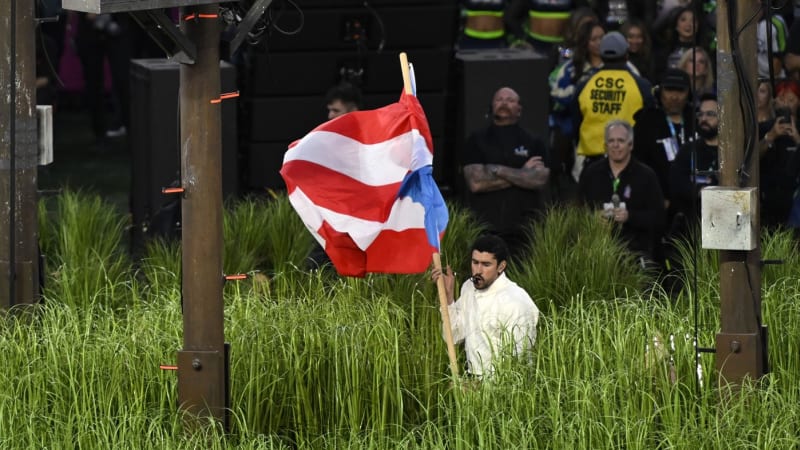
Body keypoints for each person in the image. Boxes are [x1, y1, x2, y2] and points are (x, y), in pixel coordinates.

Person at [431, 234, 540, 379]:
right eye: (475, 262)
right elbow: (454, 336)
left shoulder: (516, 302)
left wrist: (477, 388)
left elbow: (518, 364)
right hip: (472, 382)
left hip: (505, 390)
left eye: (486, 264)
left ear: (501, 266)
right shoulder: (469, 288)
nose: (478, 270)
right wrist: (449, 299)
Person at [462, 87, 550, 258]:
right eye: (499, 99)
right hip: (485, 225)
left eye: (510, 100)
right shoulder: (476, 140)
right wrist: (522, 172)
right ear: (492, 106)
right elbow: (476, 183)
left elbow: (539, 179)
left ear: (519, 109)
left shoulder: (534, 141)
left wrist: (497, 170)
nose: (504, 103)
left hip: (523, 227)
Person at [578, 119, 664, 263]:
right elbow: (578, 211)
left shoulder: (646, 176)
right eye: (611, 141)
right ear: (605, 145)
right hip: (597, 253)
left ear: (631, 145)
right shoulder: (591, 173)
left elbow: (658, 218)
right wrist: (593, 218)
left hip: (635, 253)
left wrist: (630, 216)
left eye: (621, 141)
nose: (616, 145)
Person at [572, 31, 654, 180]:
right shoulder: (641, 86)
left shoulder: (585, 85)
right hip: (628, 161)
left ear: (601, 56)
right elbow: (649, 123)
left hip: (591, 162)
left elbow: (576, 123)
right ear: (626, 55)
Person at [632, 68, 694, 212]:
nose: (674, 97)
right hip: (658, 203)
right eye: (669, 90)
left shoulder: (698, 120)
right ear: (659, 92)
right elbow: (638, 164)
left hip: (695, 201)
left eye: (680, 91)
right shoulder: (645, 121)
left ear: (689, 94)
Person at [670, 93, 720, 226]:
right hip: (691, 224)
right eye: (701, 114)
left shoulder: (731, 153)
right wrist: (698, 191)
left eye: (710, 114)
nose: (704, 119)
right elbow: (676, 183)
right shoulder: (688, 149)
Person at [760, 80, 800, 229]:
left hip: (794, 199)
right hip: (768, 198)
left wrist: (797, 139)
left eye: (791, 99)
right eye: (782, 99)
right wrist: (770, 136)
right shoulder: (764, 128)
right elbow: (751, 160)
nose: (786, 104)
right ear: (775, 102)